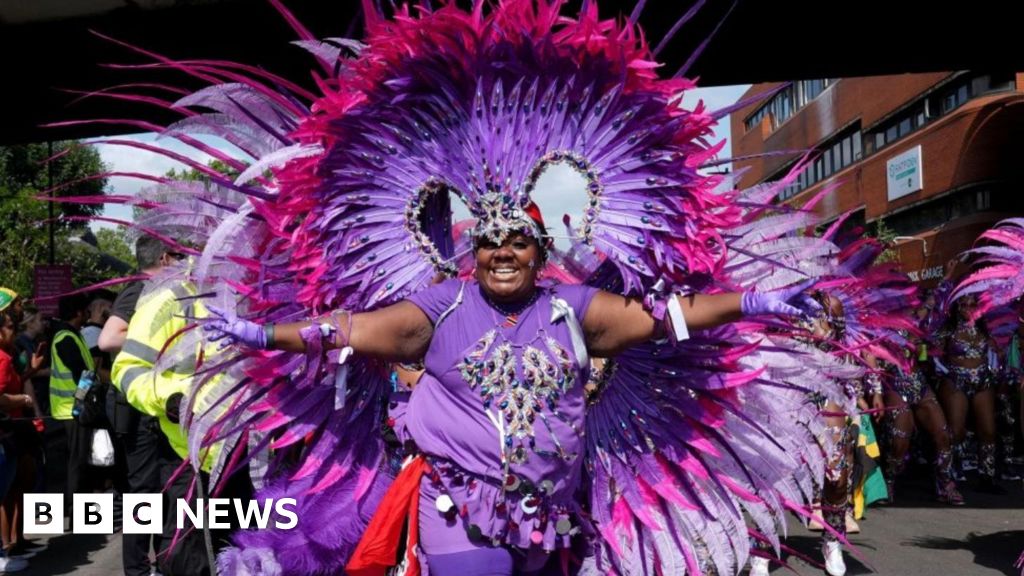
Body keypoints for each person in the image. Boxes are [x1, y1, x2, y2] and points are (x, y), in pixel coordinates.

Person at [207, 207, 811, 575]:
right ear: (474, 256)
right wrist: (263, 333)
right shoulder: (442, 309)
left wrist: (751, 303)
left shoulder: (574, 308)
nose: (503, 251)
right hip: (458, 510)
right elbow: (352, 329)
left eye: (518, 240)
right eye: (490, 241)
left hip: (551, 520)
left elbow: (667, 316)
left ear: (540, 253)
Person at [112, 268, 244, 576]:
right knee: (191, 561)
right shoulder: (172, 297)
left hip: (247, 457)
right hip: (190, 459)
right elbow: (127, 368)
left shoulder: (256, 294)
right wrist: (170, 398)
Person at [100, 236, 183, 576]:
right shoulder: (144, 290)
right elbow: (108, 338)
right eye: (178, 255)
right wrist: (160, 339)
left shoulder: (156, 291)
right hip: (138, 412)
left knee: (158, 491)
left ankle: (161, 563)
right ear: (164, 258)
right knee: (144, 493)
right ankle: (138, 569)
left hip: (150, 409)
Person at [881, 304, 963, 505]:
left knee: (943, 434)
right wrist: (902, 346)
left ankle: (945, 484)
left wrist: (922, 349)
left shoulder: (920, 323)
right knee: (899, 441)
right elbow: (878, 361)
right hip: (895, 384)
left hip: (920, 383)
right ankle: (888, 481)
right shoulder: (883, 322)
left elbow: (925, 360)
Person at [935, 295, 1004, 493]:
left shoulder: (985, 328)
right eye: (963, 304)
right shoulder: (948, 329)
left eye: (973, 304)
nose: (968, 308)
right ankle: (947, 476)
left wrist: (997, 354)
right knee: (956, 432)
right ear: (956, 307)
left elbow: (996, 350)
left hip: (983, 380)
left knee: (988, 430)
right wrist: (941, 369)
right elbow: (933, 354)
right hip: (956, 381)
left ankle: (987, 476)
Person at [48, 294, 97, 520]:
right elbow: (82, 374)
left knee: (81, 460)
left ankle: (79, 509)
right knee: (77, 462)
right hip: (72, 408)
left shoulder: (70, 335)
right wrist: (82, 403)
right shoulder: (65, 337)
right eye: (85, 310)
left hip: (73, 407)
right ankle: (75, 511)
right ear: (78, 312)